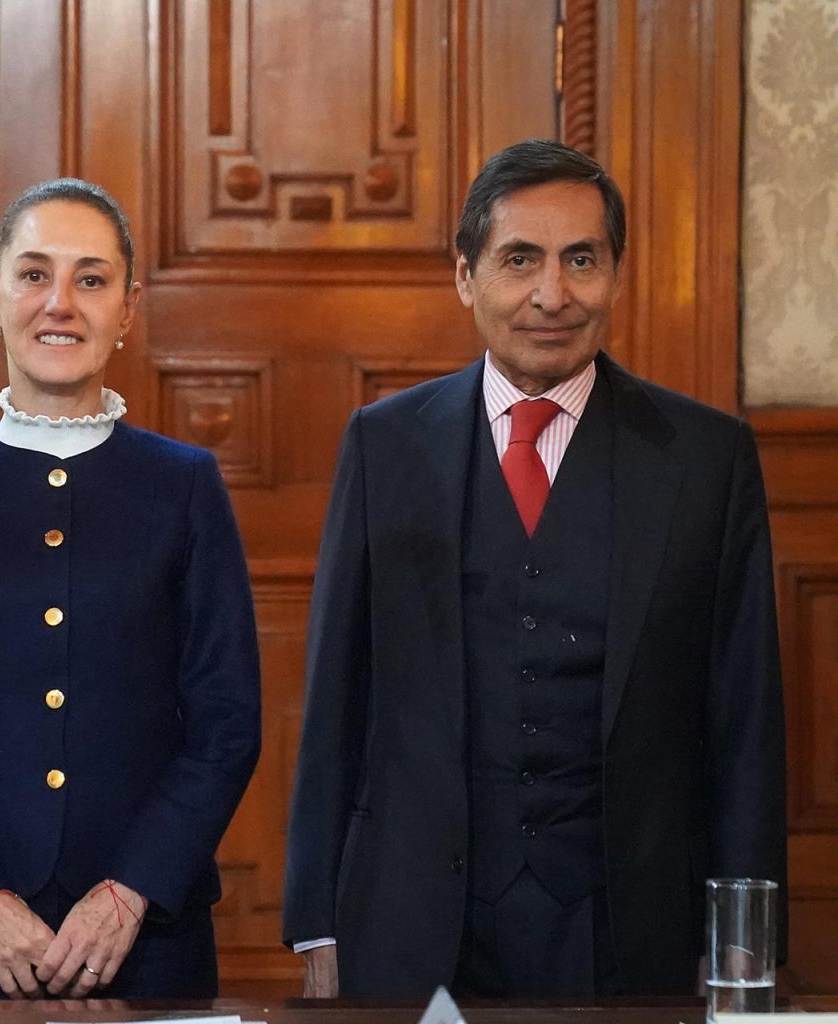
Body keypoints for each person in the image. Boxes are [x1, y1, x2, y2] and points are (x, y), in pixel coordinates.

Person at [282, 139, 786, 999]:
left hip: (630, 922)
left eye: (580, 260)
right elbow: (338, 693)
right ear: (467, 275)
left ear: (616, 275)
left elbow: (746, 719)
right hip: (414, 920)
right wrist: (316, 921)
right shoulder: (385, 444)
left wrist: (744, 937)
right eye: (520, 260)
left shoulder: (708, 457)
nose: (552, 294)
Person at [0, 178, 262, 1000]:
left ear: (129, 306)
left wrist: (130, 892)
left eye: (92, 278)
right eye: (34, 274)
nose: (61, 304)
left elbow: (226, 721)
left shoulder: (185, 485)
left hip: (146, 936)